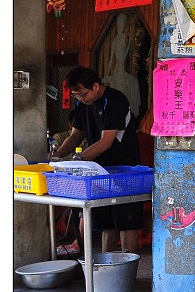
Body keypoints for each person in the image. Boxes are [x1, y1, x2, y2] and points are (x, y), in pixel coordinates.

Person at [51, 66, 143, 253]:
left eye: (82, 95)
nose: (80, 99)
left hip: (125, 168)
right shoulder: (82, 105)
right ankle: (107, 265)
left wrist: (78, 160)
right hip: (101, 169)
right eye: (76, 96)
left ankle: (129, 266)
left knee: (126, 220)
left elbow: (105, 142)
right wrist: (57, 156)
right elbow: (75, 136)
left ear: (95, 86)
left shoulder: (115, 100)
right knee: (106, 220)